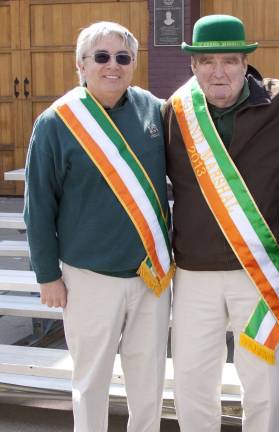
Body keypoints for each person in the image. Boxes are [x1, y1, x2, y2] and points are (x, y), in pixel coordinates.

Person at [163, 14, 279, 432]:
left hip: (259, 273)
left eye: (230, 61)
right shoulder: (174, 113)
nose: (220, 72)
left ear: (246, 63)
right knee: (193, 383)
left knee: (265, 384)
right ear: (193, 66)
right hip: (194, 273)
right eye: (208, 62)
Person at [24, 21, 173, 432]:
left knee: (150, 379)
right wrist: (47, 275)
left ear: (133, 64)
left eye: (123, 57)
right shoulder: (57, 122)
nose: (113, 66)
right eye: (101, 57)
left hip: (151, 275)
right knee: (91, 381)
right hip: (87, 276)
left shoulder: (152, 109)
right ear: (81, 65)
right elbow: (37, 205)